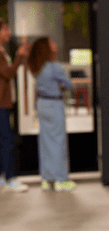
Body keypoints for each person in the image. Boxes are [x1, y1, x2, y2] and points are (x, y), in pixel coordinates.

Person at [27, 37, 76, 191]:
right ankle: (61, 180)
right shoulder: (55, 67)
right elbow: (69, 85)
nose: (55, 44)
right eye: (52, 43)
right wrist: (61, 87)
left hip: (41, 104)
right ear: (47, 49)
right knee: (59, 142)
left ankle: (46, 179)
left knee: (45, 142)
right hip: (54, 104)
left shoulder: (37, 67)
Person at [0, 18, 29, 192]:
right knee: (7, 140)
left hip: (4, 103)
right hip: (1, 104)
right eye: (5, 29)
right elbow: (8, 72)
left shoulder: (2, 51)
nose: (9, 32)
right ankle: (11, 178)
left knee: (3, 139)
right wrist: (20, 56)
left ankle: (3, 176)